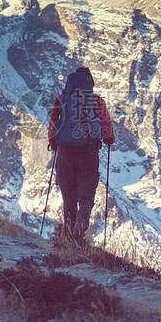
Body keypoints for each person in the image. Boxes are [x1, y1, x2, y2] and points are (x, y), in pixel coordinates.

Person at [48, 66, 114, 241]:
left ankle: (68, 237)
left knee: (68, 197)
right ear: (89, 83)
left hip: (65, 155)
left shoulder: (61, 99)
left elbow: (53, 123)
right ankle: (80, 228)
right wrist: (109, 140)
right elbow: (106, 127)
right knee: (85, 197)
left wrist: (54, 144)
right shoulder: (97, 101)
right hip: (88, 155)